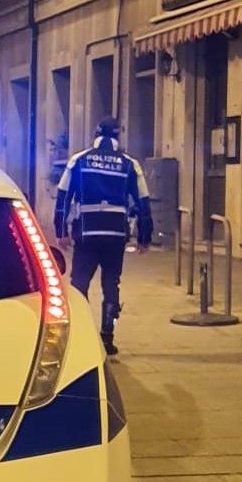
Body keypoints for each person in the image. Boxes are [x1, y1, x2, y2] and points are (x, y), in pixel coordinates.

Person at [53, 116, 153, 355]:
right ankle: (107, 338)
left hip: (87, 232)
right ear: (118, 136)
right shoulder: (130, 164)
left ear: (96, 134)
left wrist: (61, 230)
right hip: (115, 234)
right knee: (111, 284)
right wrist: (144, 237)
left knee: (79, 283)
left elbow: (63, 196)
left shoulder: (79, 160)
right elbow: (143, 202)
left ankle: (81, 335)